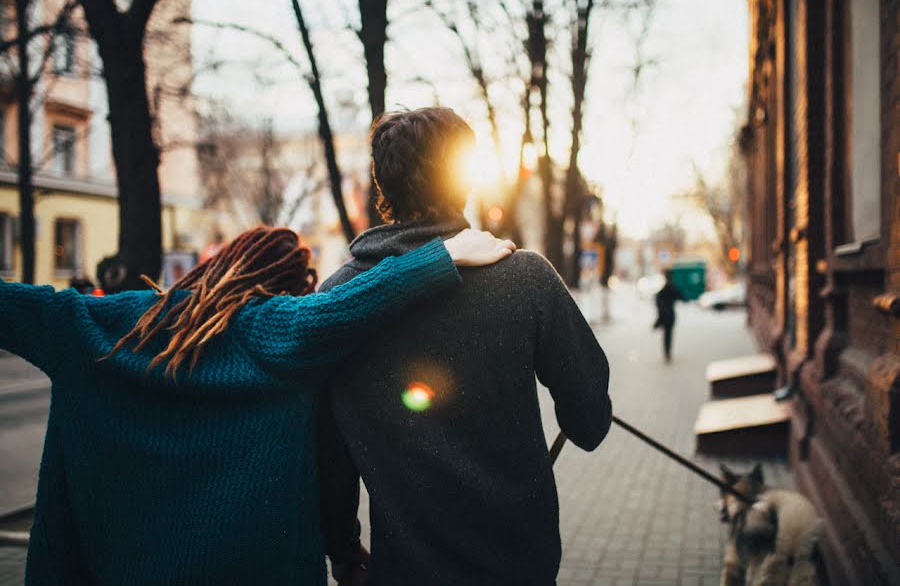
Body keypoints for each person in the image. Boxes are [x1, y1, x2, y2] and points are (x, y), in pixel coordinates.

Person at [0, 224, 513, 585]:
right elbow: (356, 302)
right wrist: (444, 254)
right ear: (284, 289)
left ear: (219, 266)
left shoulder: (98, 327)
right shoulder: (275, 331)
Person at [316, 107, 612, 586]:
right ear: (465, 179)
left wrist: (343, 548)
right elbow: (590, 424)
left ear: (381, 184)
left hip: (404, 570)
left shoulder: (337, 302)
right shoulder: (526, 279)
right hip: (521, 564)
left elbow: (328, 455)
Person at [653, 269, 686, 362]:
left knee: (666, 335)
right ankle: (668, 353)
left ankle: (667, 353)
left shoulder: (663, 290)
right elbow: (683, 297)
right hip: (670, 315)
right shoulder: (673, 288)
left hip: (664, 315)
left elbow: (657, 300)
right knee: (669, 334)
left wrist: (660, 309)